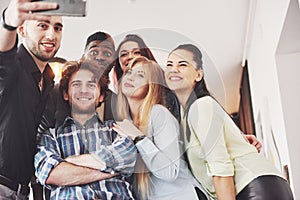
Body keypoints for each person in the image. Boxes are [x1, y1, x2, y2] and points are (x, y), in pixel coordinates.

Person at [165, 44, 294, 200]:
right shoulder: (185, 117)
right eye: (169, 64)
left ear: (198, 75)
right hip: (254, 187)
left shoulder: (201, 106)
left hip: (254, 187)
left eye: (182, 64)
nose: (174, 69)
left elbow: (220, 165)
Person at [34, 59, 137, 199]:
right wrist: (112, 169)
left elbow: (128, 157)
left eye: (91, 85)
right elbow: (50, 173)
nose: (84, 90)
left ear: (101, 96)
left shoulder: (116, 129)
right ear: (65, 94)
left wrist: (67, 162)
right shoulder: (51, 136)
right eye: (76, 84)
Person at [112, 56, 210, 200]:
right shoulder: (127, 125)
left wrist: (139, 139)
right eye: (129, 72)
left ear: (151, 86)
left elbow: (169, 172)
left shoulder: (158, 113)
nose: (131, 77)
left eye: (140, 75)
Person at [0, 0, 62, 199]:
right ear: (22, 30)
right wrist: (8, 22)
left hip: (23, 191)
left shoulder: (49, 78)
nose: (51, 35)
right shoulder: (14, 66)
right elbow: (3, 58)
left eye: (58, 28)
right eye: (42, 25)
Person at [39, 31, 116, 133]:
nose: (100, 57)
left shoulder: (116, 102)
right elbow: (40, 133)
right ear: (83, 56)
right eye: (94, 52)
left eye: (107, 53)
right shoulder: (56, 92)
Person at [113, 34, 180, 122]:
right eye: (124, 54)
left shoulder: (164, 94)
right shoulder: (119, 97)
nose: (130, 57)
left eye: (136, 52)